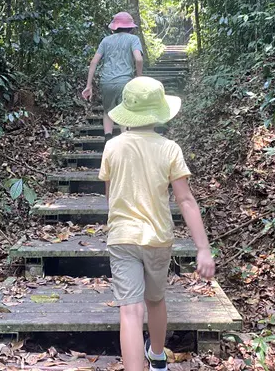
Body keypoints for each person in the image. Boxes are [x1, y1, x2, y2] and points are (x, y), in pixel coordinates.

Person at [99, 77, 215, 371]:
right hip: (158, 238)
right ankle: (159, 357)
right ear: (159, 114)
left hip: (122, 237)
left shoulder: (112, 148)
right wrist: (203, 248)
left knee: (130, 310)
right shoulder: (170, 149)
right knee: (155, 300)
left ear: (127, 113)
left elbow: (110, 196)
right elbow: (185, 200)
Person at [82, 11, 143, 140]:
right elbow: (138, 59)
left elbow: (93, 62)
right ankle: (125, 142)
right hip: (125, 82)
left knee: (108, 112)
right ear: (131, 27)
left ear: (114, 27)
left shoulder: (106, 41)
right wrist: (139, 77)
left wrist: (88, 85)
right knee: (124, 111)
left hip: (106, 81)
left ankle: (108, 142)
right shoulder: (134, 39)